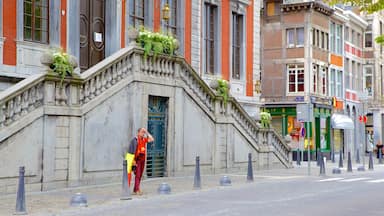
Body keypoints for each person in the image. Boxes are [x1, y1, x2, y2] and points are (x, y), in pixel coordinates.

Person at [127, 128, 154, 195]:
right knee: (138, 174)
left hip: (143, 158)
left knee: (140, 174)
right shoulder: (135, 140)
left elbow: (152, 139)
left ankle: (136, 189)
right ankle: (136, 190)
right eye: (142, 132)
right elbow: (132, 150)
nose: (143, 133)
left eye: (143, 132)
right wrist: (133, 160)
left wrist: (147, 132)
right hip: (137, 159)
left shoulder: (144, 139)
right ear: (138, 133)